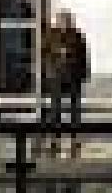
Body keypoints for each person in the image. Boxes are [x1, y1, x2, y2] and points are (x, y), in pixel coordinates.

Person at [41, 11, 90, 155]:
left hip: (73, 75)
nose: (64, 23)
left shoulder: (77, 35)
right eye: (62, 20)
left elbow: (84, 55)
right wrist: (50, 68)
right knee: (56, 108)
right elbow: (44, 54)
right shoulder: (51, 35)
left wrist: (83, 74)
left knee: (75, 108)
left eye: (66, 20)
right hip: (57, 75)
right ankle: (55, 137)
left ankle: (75, 136)